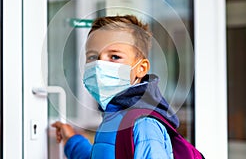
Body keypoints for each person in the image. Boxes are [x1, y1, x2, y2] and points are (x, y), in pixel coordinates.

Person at [52, 15, 179, 158]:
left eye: (114, 56)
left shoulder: (144, 124)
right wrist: (72, 140)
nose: (100, 65)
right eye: (93, 57)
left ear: (141, 68)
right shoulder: (114, 115)